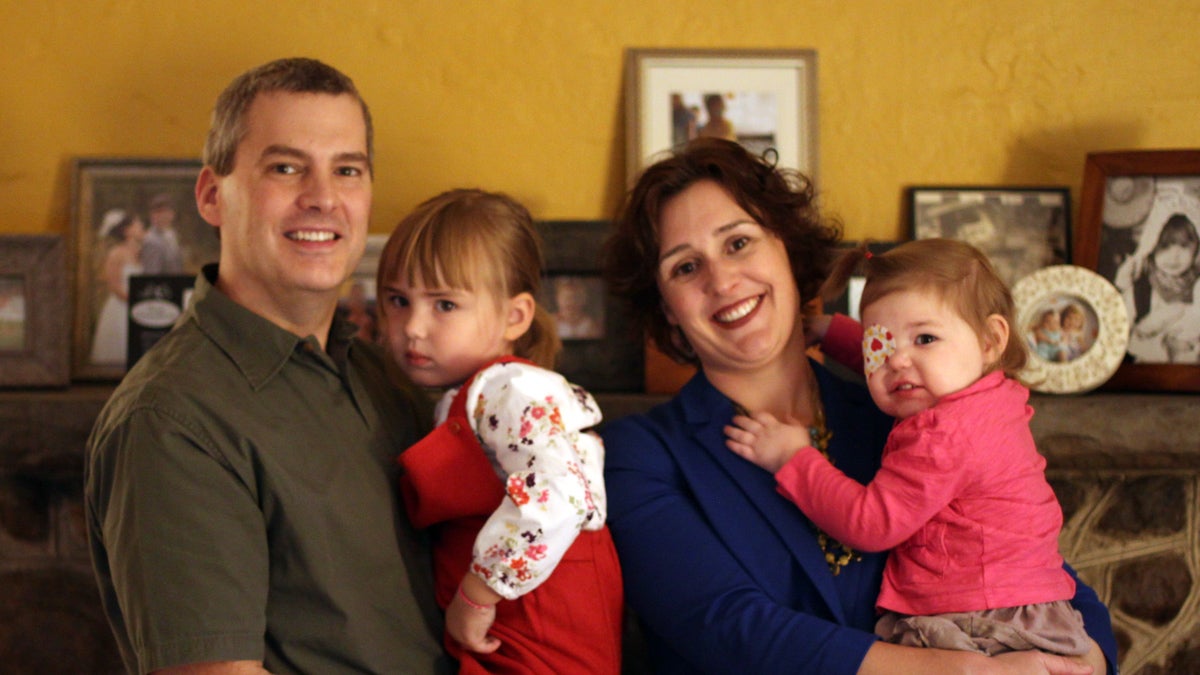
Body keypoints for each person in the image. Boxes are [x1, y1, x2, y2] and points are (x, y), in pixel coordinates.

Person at [600, 137, 1117, 674]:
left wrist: (1088, 660)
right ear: (666, 307)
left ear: (787, 248)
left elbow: (1027, 557)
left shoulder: (909, 413)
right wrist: (961, 671)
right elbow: (725, 625)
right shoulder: (638, 455)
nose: (723, 280)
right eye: (686, 267)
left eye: (738, 244)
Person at [84, 57, 450, 674]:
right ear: (211, 196)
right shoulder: (171, 419)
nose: (324, 199)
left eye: (347, 170)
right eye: (286, 168)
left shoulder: (388, 376)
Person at [725, 238, 1092, 657]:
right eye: (877, 344)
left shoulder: (945, 436)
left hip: (981, 625)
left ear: (991, 340)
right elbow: (903, 359)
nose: (896, 360)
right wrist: (835, 332)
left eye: (926, 338)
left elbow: (872, 523)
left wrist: (793, 457)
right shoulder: (989, 399)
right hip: (1023, 604)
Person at [377, 188, 623, 673]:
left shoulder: (513, 389)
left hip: (539, 613)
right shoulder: (464, 394)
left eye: (444, 305)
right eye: (398, 300)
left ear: (515, 316)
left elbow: (562, 492)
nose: (413, 327)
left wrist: (479, 591)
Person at [1115, 211, 1200, 362]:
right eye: (1165, 246)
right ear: (1152, 247)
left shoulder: (1197, 286)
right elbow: (1120, 335)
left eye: (1184, 246)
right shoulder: (1141, 289)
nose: (1174, 256)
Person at [89, 208, 146, 365]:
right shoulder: (116, 253)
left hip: (137, 307)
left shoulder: (140, 252)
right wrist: (134, 300)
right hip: (121, 308)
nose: (141, 226)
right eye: (137, 224)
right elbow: (113, 285)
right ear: (127, 230)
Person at [140, 191, 185, 274]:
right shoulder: (151, 240)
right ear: (152, 215)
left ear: (172, 214)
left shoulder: (173, 234)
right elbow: (152, 272)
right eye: (158, 212)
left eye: (166, 211)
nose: (163, 216)